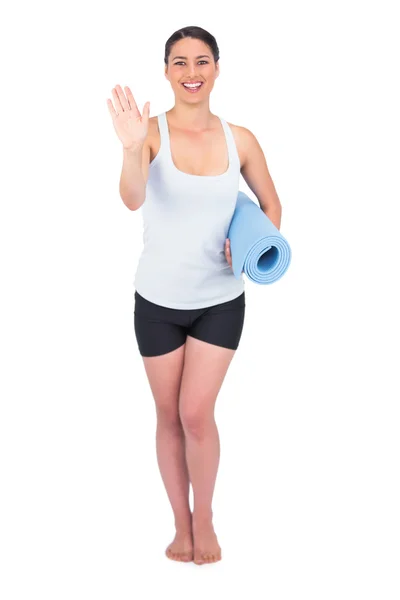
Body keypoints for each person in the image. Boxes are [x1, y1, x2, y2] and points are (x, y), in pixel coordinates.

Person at [107, 25, 282, 566]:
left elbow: (273, 206)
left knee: (196, 415)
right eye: (179, 63)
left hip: (219, 301)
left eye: (201, 61)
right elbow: (132, 198)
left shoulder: (241, 139)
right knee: (167, 416)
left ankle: (203, 516)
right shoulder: (151, 133)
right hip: (157, 301)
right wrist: (133, 149)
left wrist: (250, 246)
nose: (191, 72)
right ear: (166, 71)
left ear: (217, 69)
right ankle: (179, 526)